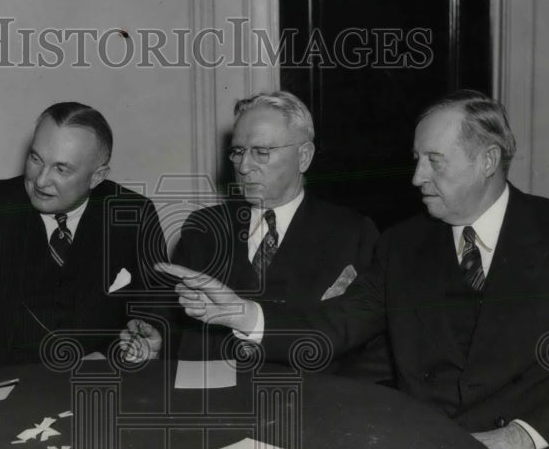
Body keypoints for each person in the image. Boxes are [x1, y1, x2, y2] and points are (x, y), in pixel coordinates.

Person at [158, 90, 549, 449]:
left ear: (487, 161)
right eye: (416, 160)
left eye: (435, 161)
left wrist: (516, 436)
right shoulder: (404, 245)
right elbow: (337, 324)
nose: (416, 178)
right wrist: (246, 313)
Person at [124, 91, 385, 376]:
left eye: (261, 152)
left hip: (310, 404)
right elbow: (173, 322)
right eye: (238, 152)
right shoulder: (202, 228)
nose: (244, 167)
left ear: (304, 157)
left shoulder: (352, 232)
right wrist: (157, 341)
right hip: (212, 403)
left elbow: (365, 342)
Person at [0, 102, 168, 368]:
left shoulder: (133, 213)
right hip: (0, 385)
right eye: (36, 159)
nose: (41, 180)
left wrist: (146, 334)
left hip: (99, 381)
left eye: (61, 169)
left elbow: (157, 299)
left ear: (97, 176)